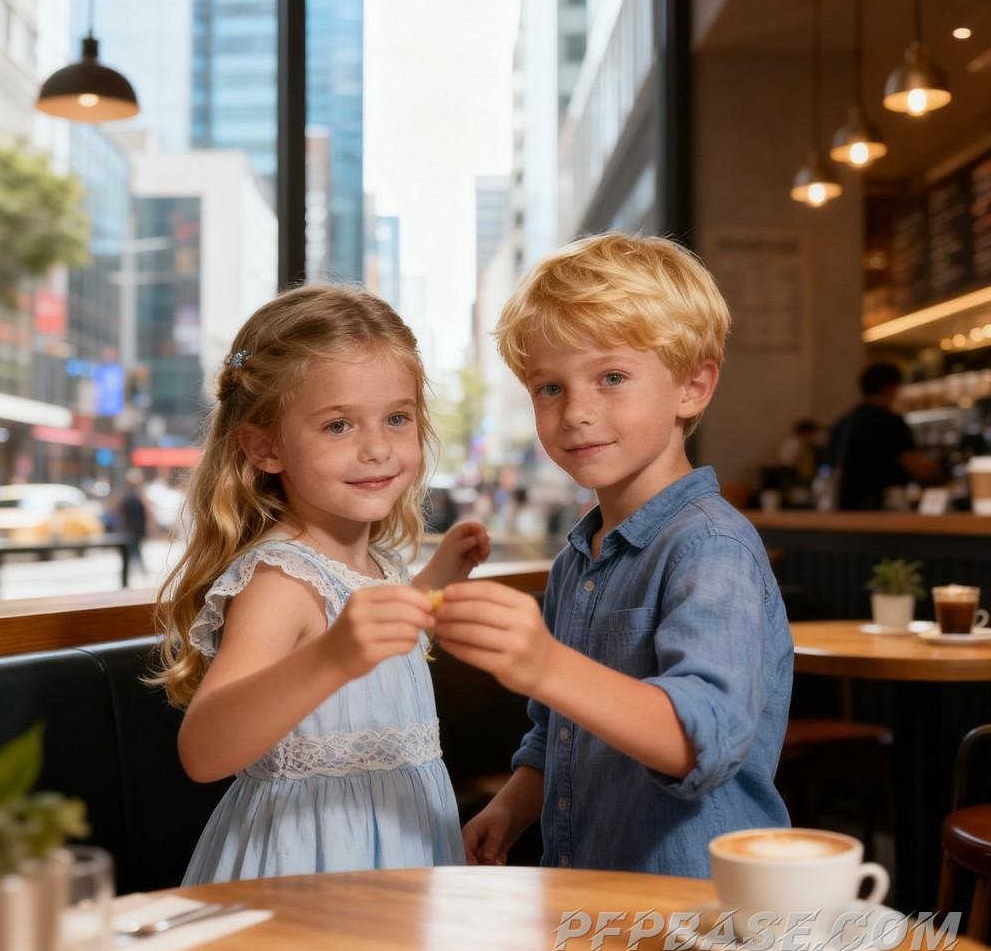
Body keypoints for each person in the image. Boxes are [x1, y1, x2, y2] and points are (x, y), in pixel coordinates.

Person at [432, 233, 793, 879]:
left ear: (693, 386)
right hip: (592, 893)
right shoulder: (577, 559)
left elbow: (701, 739)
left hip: (693, 902)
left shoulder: (710, 546)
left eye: (612, 378)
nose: (576, 412)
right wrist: (509, 810)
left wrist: (545, 665)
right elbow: (559, 733)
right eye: (548, 388)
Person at [149, 285, 491, 882]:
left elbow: (377, 650)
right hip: (312, 866)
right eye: (338, 425)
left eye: (397, 418)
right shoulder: (281, 581)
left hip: (403, 846)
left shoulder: (377, 564)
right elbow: (203, 752)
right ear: (265, 447)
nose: (378, 448)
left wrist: (437, 581)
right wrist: (333, 656)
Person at [827, 362, 941, 510]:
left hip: (843, 509)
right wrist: (938, 474)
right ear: (890, 387)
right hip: (881, 509)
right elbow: (918, 467)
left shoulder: (842, 423)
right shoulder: (890, 421)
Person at [120, 469, 149, 575]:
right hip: (132, 527)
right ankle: (136, 570)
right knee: (133, 549)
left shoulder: (140, 495)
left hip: (136, 527)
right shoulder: (131, 495)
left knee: (134, 549)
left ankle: (135, 570)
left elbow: (145, 513)